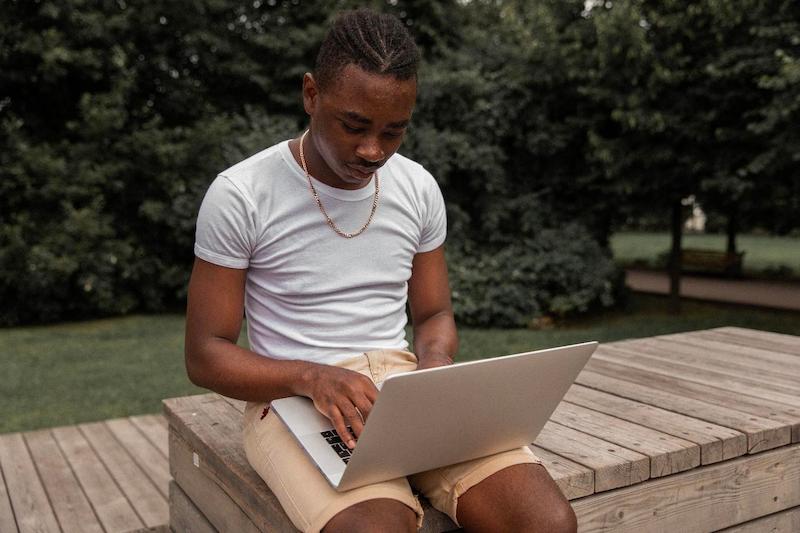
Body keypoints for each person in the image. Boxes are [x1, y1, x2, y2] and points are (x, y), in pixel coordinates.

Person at [185, 8, 577, 533]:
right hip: (293, 400)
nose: (373, 151)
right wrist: (312, 377)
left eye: (394, 132)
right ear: (311, 95)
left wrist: (436, 365)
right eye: (354, 126)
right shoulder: (241, 195)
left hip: (406, 393)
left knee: (547, 522)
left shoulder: (416, 188)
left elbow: (434, 313)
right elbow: (205, 354)